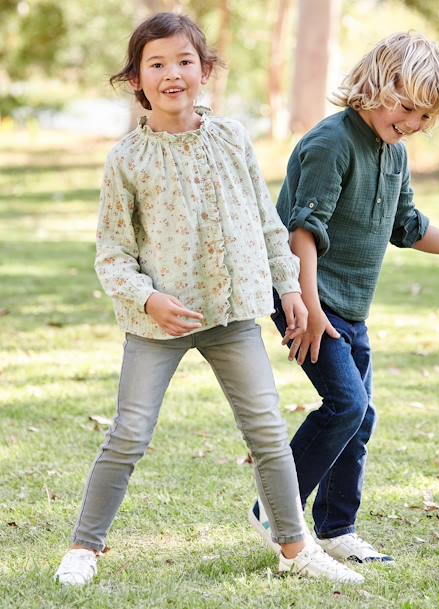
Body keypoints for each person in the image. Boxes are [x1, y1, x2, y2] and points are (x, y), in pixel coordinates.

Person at [54, 12, 364, 586]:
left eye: (184, 61)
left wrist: (290, 288)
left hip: (231, 315)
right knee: (129, 433)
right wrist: (149, 301)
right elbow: (112, 253)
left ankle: (294, 549)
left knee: (268, 432)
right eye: (157, 64)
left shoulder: (232, 138)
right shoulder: (127, 159)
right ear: (136, 80)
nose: (172, 73)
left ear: (206, 71)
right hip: (160, 322)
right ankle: (84, 548)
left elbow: (269, 225)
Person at [249, 31, 439, 565]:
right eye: (408, 106)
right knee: (346, 405)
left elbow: (407, 226)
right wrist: (310, 309)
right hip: (305, 297)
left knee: (360, 417)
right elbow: (303, 232)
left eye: (425, 119)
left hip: (349, 307)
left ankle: (337, 529)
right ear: (376, 84)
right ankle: (275, 510)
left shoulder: (394, 152)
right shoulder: (331, 143)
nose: (412, 123)